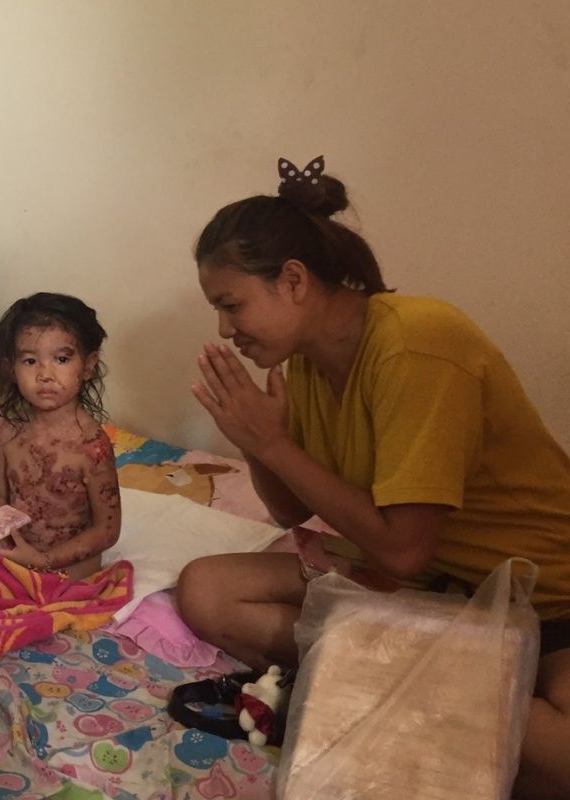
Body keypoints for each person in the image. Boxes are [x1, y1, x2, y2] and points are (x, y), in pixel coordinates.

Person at [173, 158, 570, 799]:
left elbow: (404, 546)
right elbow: (292, 513)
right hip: (428, 591)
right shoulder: (307, 363)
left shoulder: (417, 345)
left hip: (545, 595)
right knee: (207, 592)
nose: (225, 328)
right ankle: (406, 680)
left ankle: (381, 679)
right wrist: (256, 443)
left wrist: (273, 442)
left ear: (293, 280)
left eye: (231, 305)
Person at [0, 292, 121, 580]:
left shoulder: (92, 447)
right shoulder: (10, 432)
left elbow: (107, 530)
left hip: (69, 571)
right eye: (30, 361)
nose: (45, 374)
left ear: (88, 365)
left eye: (61, 359)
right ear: (12, 368)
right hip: (16, 556)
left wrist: (44, 561)